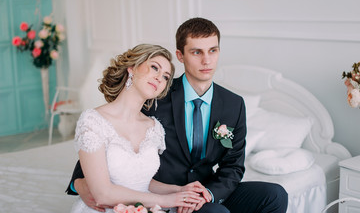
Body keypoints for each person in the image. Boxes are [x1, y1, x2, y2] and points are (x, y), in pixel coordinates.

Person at [67, 18, 288, 213]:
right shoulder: (155, 95)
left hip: (202, 189)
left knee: (275, 194)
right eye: (196, 52)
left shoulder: (234, 104)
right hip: (165, 194)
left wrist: (207, 194)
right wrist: (79, 182)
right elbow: (107, 135)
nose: (206, 61)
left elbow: (233, 166)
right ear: (180, 55)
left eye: (213, 50)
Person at [68, 44, 208, 213]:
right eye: (154, 68)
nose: (159, 78)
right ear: (132, 68)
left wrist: (179, 190)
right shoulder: (93, 120)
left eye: (165, 77)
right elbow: (102, 194)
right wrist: (167, 200)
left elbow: (141, 181)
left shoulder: (154, 127)